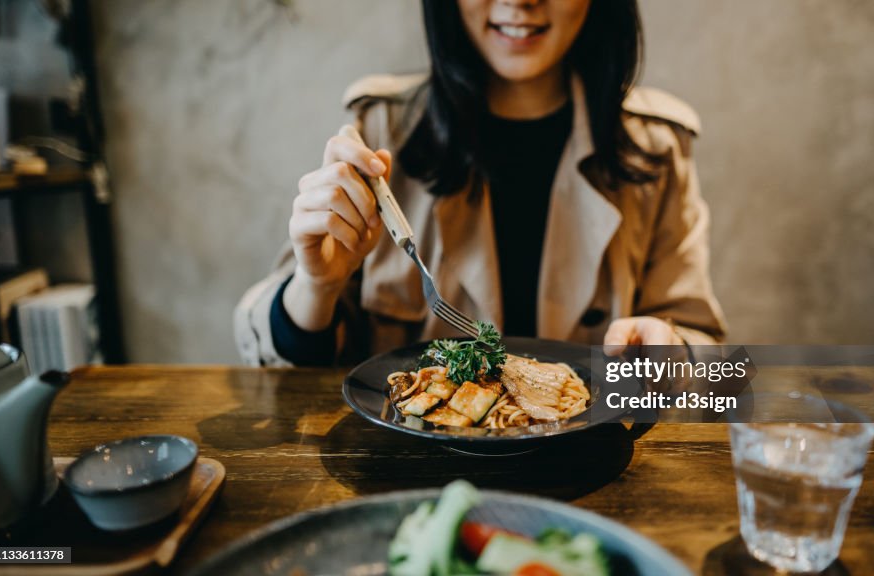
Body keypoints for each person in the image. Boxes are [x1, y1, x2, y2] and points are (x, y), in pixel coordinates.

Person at [234, 0, 726, 367]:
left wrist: (672, 352)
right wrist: (317, 286)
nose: (520, 1)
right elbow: (263, 349)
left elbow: (709, 357)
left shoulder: (655, 149)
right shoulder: (382, 131)